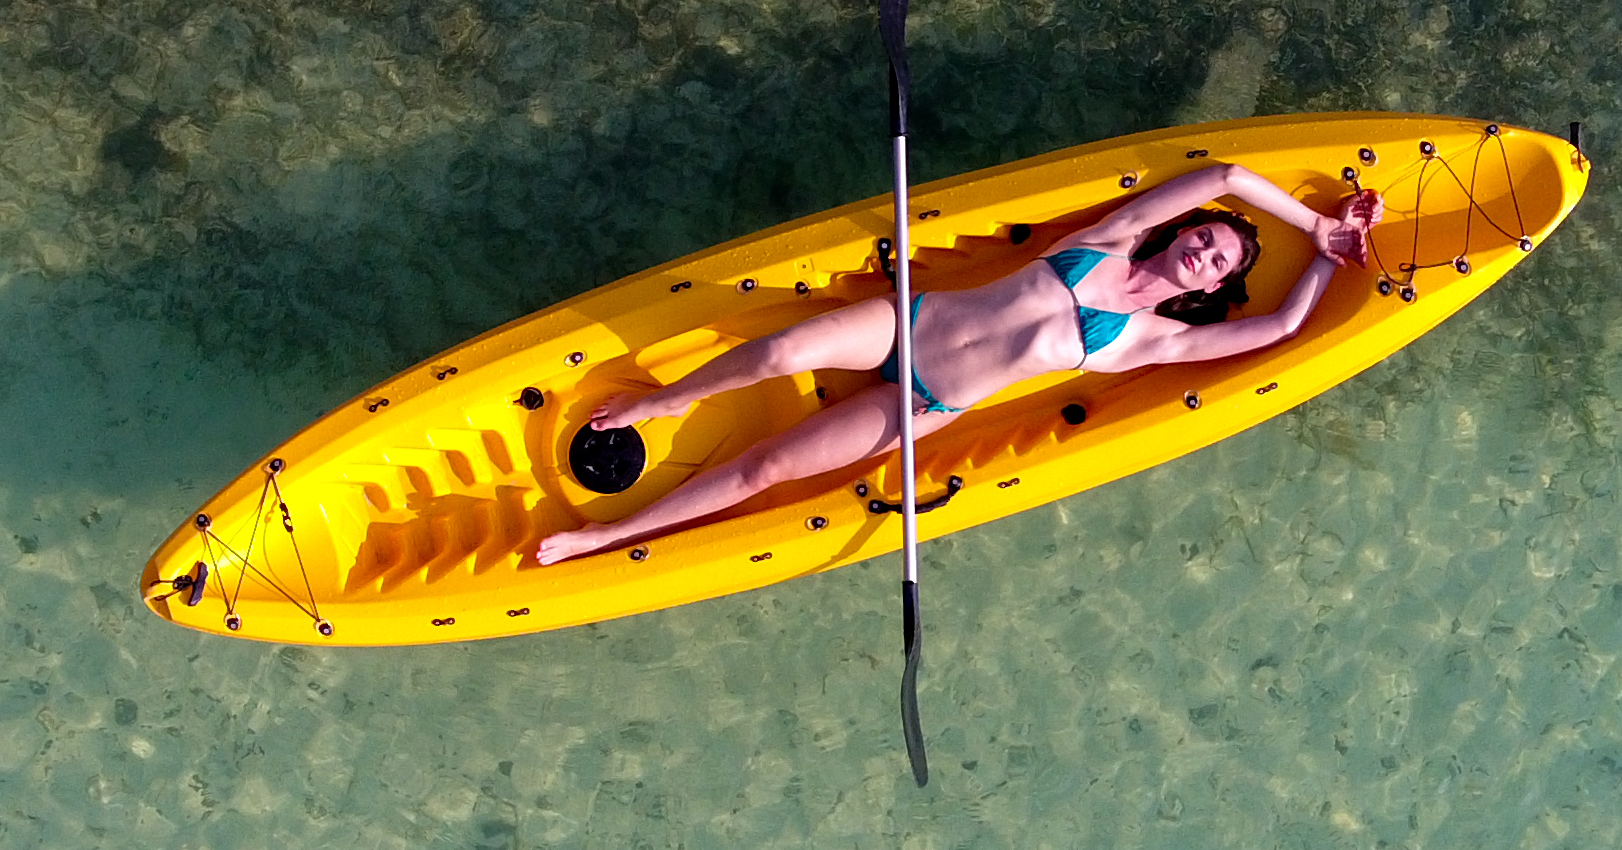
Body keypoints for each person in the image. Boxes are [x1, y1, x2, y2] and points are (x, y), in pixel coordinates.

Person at [534, 162, 1383, 566]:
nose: (1204, 250)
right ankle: (665, 404)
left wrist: (1330, 260)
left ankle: (605, 537)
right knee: (784, 348)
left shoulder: (1154, 341)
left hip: (923, 403)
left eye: (1220, 262)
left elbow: (1276, 330)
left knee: (770, 467)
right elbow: (1226, 174)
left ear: (1214, 287)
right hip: (905, 323)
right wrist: (1313, 224)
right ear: (1180, 232)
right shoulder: (1104, 240)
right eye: (1206, 236)